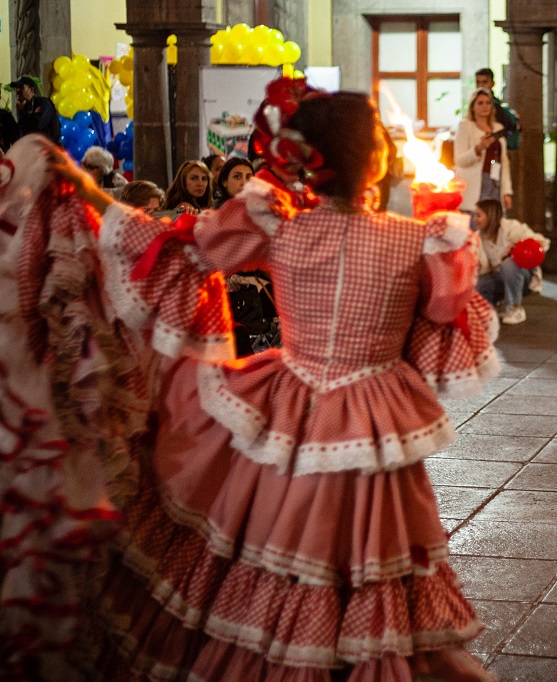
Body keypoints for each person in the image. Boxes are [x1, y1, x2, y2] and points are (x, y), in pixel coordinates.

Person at [46, 81, 500, 680]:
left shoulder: (277, 226)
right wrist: (432, 226)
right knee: (371, 560)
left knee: (275, 551)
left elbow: (171, 246)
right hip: (375, 422)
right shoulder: (421, 239)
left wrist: (81, 190)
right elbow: (446, 314)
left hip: (286, 413)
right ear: (380, 159)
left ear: (301, 159)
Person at [214, 156, 277, 357]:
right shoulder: (218, 215)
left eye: (249, 176)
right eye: (237, 176)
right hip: (236, 294)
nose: (244, 182)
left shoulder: (259, 211)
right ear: (225, 182)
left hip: (263, 289)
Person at [473, 198, 550, 325]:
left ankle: (515, 308)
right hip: (499, 276)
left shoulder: (511, 227)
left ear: (490, 216)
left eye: (478, 215)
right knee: (477, 284)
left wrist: (518, 250)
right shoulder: (477, 238)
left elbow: (542, 243)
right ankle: (491, 309)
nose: (474, 219)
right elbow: (482, 268)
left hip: (522, 277)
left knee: (509, 264)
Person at [454, 88, 512, 213]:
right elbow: (459, 160)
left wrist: (506, 191)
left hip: (495, 179)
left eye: (488, 102)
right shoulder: (465, 127)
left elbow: (504, 162)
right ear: (473, 106)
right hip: (476, 183)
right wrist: (478, 148)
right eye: (480, 103)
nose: (484, 106)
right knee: (477, 221)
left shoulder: (498, 128)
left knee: (494, 219)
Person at [474, 67, 520, 150]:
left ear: (492, 83)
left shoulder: (497, 107)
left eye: (484, 82)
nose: (481, 86)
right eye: (478, 82)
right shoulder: (473, 104)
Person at [9, 75, 60, 144]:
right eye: (16, 87)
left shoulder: (43, 103)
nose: (17, 90)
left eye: (21, 87)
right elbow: (21, 133)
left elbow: (37, 125)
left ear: (31, 90)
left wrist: (23, 113)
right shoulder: (25, 107)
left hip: (48, 150)